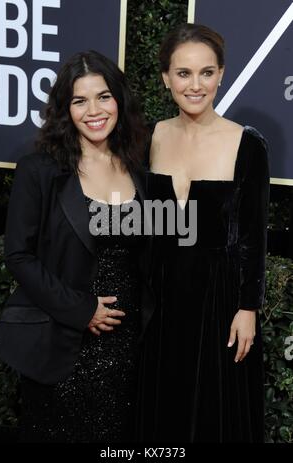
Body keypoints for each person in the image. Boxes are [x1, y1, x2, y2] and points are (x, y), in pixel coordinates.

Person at [0, 50, 154, 443]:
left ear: (119, 100)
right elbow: (18, 255)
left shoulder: (141, 166)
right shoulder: (40, 170)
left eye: (103, 96)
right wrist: (83, 310)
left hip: (130, 349)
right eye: (79, 100)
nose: (93, 110)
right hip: (62, 342)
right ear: (66, 109)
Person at [139, 24, 270, 442]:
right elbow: (141, 223)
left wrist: (248, 308)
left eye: (206, 73)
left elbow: (253, 237)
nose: (195, 85)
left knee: (215, 416)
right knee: (161, 410)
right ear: (166, 77)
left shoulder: (246, 144)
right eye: (183, 73)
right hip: (158, 299)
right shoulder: (151, 136)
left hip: (219, 301)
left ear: (221, 74)